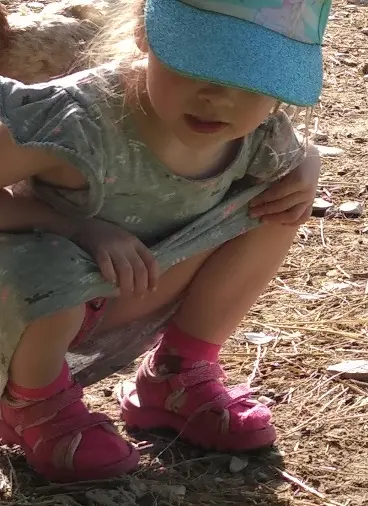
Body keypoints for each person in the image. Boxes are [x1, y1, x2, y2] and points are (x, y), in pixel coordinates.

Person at [0, 0, 333, 483]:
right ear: (144, 34)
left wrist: (308, 162)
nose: (219, 97)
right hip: (26, 317)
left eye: (255, 78)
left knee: (279, 201)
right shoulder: (77, 123)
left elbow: (292, 159)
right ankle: (32, 405)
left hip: (120, 295)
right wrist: (71, 225)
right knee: (45, 257)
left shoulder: (256, 133)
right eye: (196, 64)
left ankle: (177, 373)